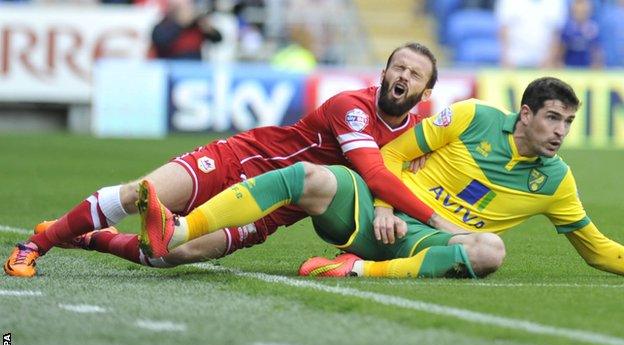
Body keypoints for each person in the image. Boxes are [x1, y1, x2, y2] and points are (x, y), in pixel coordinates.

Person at [4, 43, 463, 278]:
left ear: (425, 93)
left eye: (413, 74)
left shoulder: (418, 135)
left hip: (271, 210)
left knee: (168, 256)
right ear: (382, 73)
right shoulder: (352, 106)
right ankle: (36, 245)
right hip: (241, 160)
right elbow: (376, 172)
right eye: (397, 68)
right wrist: (443, 225)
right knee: (141, 194)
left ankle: (89, 239)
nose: (401, 75)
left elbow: (396, 168)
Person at [137, 76, 624, 279]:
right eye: (553, 118)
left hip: (421, 245)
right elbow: (388, 156)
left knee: (491, 249)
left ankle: (353, 271)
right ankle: (181, 228)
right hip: (375, 212)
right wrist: (388, 205)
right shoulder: (472, 117)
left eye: (567, 123)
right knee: (308, 175)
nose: (560, 131)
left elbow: (597, 248)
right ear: (525, 113)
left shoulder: (556, 181)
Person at [495, 0, 567, 68]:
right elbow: (503, 30)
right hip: (515, 59)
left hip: (543, 61)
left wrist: (550, 59)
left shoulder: (556, 2)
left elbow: (556, 33)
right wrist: (506, 58)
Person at [150, 0, 223, 60]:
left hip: (195, 68)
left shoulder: (196, 24)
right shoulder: (164, 24)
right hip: (170, 67)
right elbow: (160, 41)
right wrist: (181, 24)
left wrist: (208, 29)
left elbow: (218, 39)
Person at [549, 0, 603, 68]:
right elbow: (560, 48)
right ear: (572, 11)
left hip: (587, 68)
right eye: (578, 11)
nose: (581, 13)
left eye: (584, 11)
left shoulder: (593, 28)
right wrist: (557, 62)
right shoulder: (567, 28)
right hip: (568, 67)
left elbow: (596, 50)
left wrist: (597, 64)